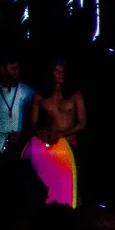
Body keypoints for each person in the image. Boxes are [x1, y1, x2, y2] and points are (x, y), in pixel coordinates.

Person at [26, 59, 86, 206]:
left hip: (71, 145)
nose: (60, 74)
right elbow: (32, 125)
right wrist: (40, 132)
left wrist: (61, 134)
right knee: (50, 185)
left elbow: (82, 123)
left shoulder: (75, 95)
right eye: (57, 71)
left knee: (73, 185)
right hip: (50, 147)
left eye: (63, 71)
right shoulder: (39, 97)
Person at [0, 57, 33, 161]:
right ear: (3, 69)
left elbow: (34, 116)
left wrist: (23, 134)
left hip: (18, 143)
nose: (17, 72)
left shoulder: (26, 90)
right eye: (14, 68)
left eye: (18, 68)